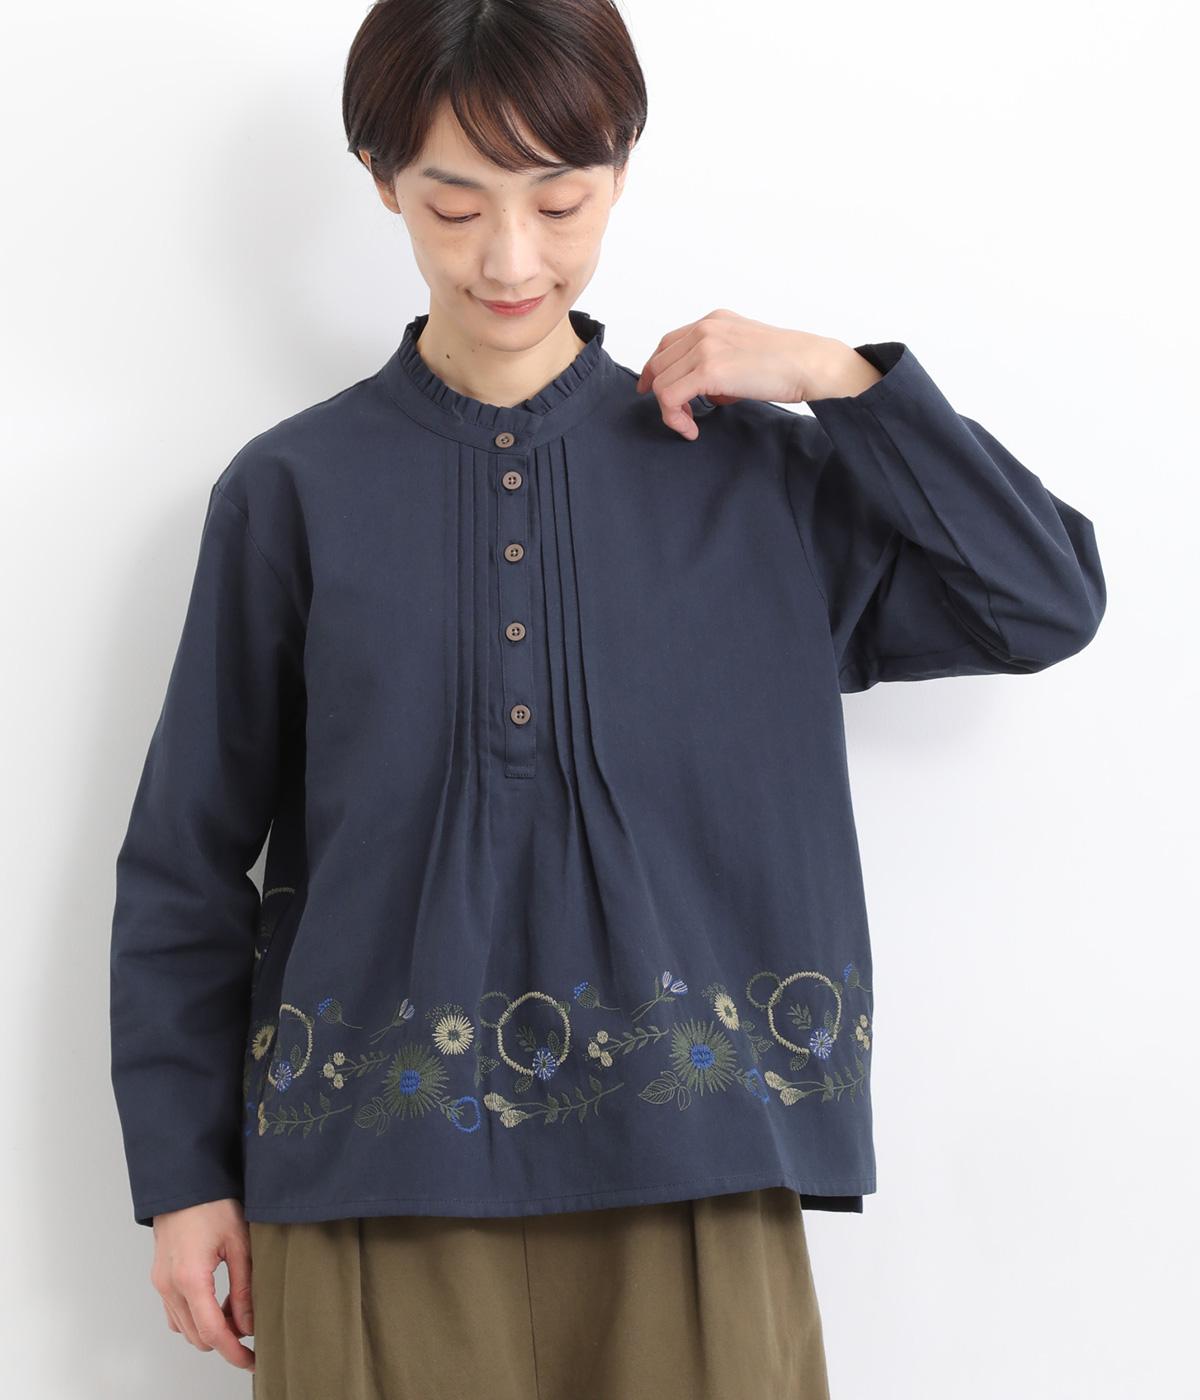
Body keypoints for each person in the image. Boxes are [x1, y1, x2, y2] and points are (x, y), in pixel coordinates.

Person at [108, 1, 1107, 1396]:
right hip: (369, 1179)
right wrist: (182, 1176)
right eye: (455, 205)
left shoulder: (748, 477)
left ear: (621, 173)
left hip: (696, 1170)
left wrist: (841, 380)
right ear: (381, 182)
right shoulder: (293, 491)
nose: (510, 258)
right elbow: (186, 857)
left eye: (560, 202)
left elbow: (1042, 600)